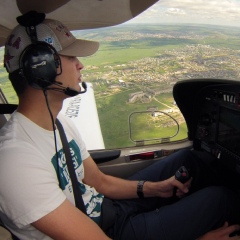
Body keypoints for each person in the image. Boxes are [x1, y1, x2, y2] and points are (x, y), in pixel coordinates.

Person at [1, 11, 240, 240]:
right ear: (41, 69)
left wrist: (156, 189)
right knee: (221, 199)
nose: (80, 65)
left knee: (189, 161)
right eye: (71, 57)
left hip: (104, 209)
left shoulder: (59, 123)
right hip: (108, 232)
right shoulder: (15, 162)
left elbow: (100, 182)